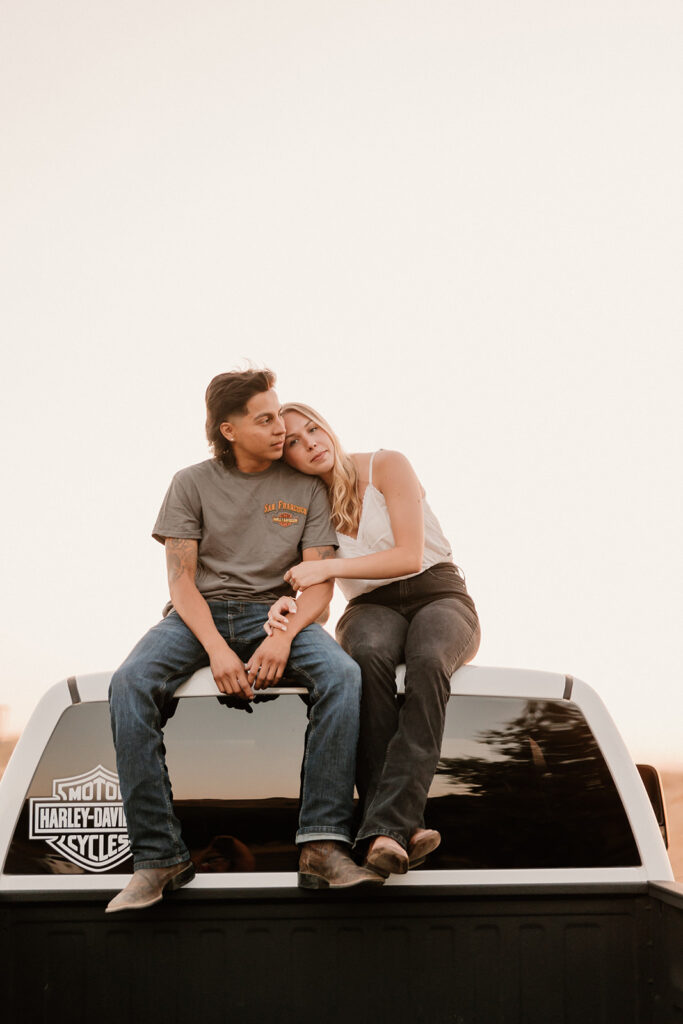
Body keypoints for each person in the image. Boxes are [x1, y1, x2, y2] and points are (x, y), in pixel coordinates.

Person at [106, 371, 383, 913]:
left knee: (342, 674)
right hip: (197, 617)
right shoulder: (190, 482)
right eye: (265, 418)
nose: (281, 427)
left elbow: (320, 581)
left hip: (277, 614)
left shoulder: (305, 487)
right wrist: (216, 649)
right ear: (228, 430)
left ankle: (323, 846)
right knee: (129, 683)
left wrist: (285, 636)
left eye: (279, 414)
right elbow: (181, 582)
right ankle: (159, 856)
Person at [266, 403, 481, 877]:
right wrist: (284, 610)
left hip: (437, 590)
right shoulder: (307, 507)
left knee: (427, 661)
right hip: (370, 606)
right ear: (287, 460)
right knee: (364, 660)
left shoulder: (386, 464)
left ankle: (385, 827)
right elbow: (319, 601)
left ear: (327, 427)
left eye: (313, 429)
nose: (311, 443)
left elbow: (408, 555)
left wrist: (328, 567)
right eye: (295, 443)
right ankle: (403, 829)